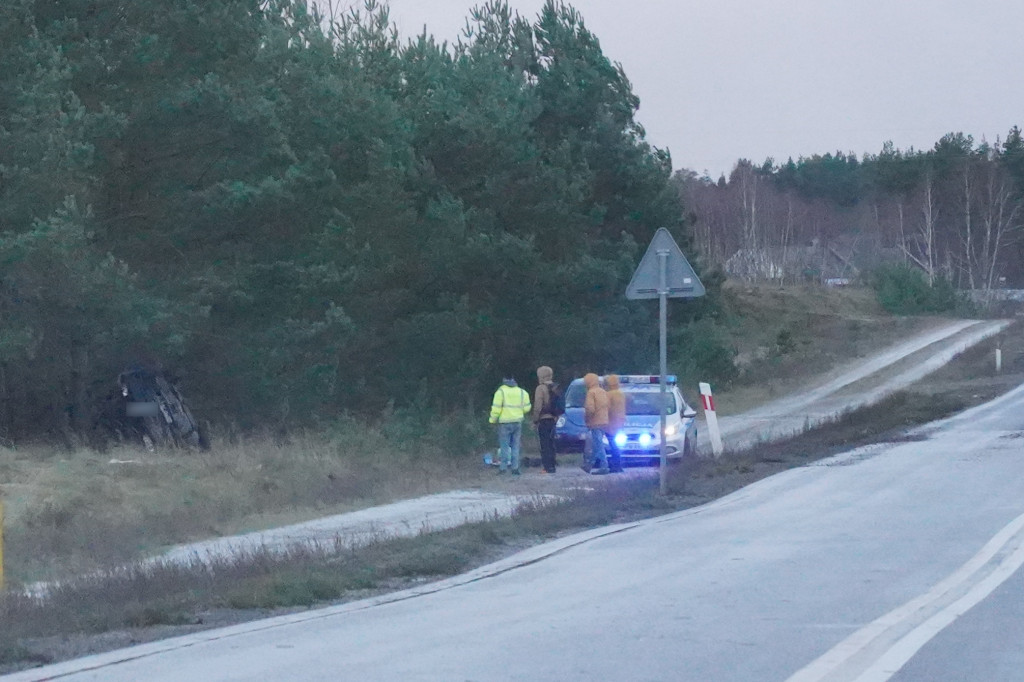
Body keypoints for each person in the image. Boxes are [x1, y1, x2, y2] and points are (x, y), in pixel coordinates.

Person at [489, 373, 532, 475]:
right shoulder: (522, 392)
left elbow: (496, 408)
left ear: (504, 380)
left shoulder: (500, 392)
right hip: (517, 421)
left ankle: (503, 468)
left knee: (504, 446)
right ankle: (515, 468)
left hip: (504, 422)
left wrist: (492, 420)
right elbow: (527, 408)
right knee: (515, 445)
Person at [583, 373, 610, 474]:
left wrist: (587, 419)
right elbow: (608, 406)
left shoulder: (591, 392)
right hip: (604, 421)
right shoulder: (603, 391)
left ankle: (604, 465)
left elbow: (590, 409)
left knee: (598, 444)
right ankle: (589, 465)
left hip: (595, 421)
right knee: (596, 444)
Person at [532, 366, 558, 473]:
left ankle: (547, 467)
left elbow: (538, 406)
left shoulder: (540, 388)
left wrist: (535, 419)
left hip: (544, 419)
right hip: (554, 419)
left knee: (545, 443)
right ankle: (553, 465)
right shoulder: (555, 387)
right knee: (552, 443)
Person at [604, 374, 625, 473]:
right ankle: (618, 465)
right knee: (614, 443)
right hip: (620, 421)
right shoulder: (621, 394)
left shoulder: (609, 394)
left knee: (612, 444)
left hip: (611, 422)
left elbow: (607, 408)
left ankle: (615, 465)